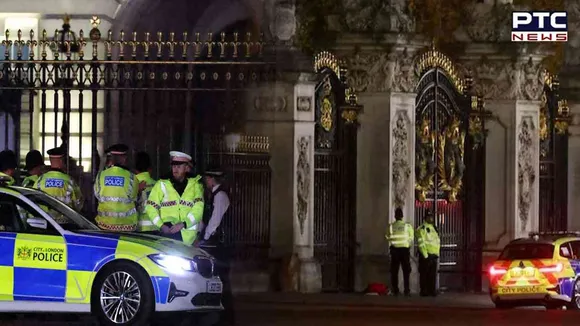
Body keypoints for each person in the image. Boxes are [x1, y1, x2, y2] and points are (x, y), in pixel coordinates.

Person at [144, 151, 204, 245]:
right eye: (173, 166)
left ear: (186, 168)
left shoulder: (195, 185)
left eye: (179, 166)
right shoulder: (162, 184)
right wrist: (161, 225)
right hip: (168, 232)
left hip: (189, 236)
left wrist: (184, 224)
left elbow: (198, 208)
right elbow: (150, 206)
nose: (175, 169)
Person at [200, 167, 234, 326]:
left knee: (221, 279)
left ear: (212, 179)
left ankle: (225, 317)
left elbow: (215, 221)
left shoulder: (219, 196)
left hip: (219, 244)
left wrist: (204, 238)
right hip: (218, 243)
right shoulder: (215, 195)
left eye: (207, 178)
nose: (206, 182)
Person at [94, 144, 140, 232]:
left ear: (111, 159)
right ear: (124, 159)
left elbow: (97, 194)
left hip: (104, 225)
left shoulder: (100, 176)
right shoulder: (131, 177)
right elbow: (134, 197)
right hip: (126, 226)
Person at [34, 147, 83, 212]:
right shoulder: (69, 181)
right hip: (65, 221)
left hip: (45, 220)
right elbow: (78, 203)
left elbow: (33, 200)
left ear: (50, 160)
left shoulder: (39, 181)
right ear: (61, 161)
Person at [385, 207, 413, 296]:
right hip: (405, 251)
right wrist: (407, 245)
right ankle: (407, 290)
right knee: (406, 271)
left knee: (394, 271)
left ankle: (395, 290)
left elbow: (387, 237)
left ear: (395, 216)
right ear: (402, 216)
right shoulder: (407, 226)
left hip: (395, 251)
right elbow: (411, 238)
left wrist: (393, 242)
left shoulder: (391, 226)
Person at [417, 210, 441, 297]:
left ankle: (432, 291)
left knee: (432, 275)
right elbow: (421, 243)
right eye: (429, 217)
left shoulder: (434, 228)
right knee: (424, 274)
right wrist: (425, 256)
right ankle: (424, 291)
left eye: (431, 216)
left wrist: (437, 254)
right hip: (426, 255)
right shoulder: (422, 228)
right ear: (425, 218)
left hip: (434, 255)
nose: (430, 218)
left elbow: (437, 241)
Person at [135, 151, 157, 232]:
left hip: (138, 229)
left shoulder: (132, 184)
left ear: (135, 169)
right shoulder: (157, 185)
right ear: (150, 169)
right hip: (156, 228)